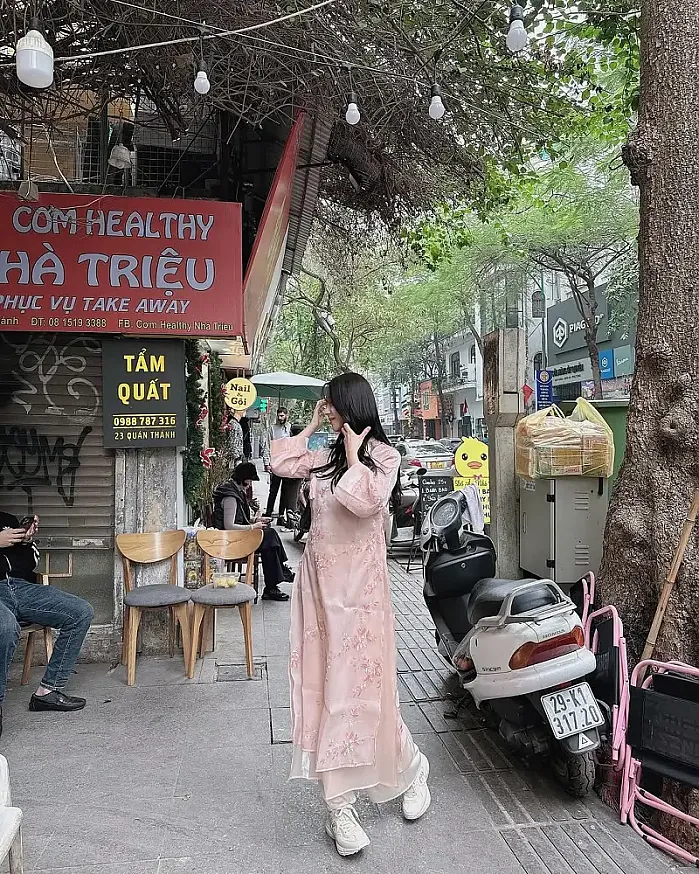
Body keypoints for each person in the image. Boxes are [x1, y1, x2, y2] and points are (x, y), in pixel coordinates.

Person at [270, 373, 430, 857]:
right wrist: (313, 424)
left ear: (353, 405)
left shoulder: (384, 457)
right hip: (320, 594)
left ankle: (411, 770)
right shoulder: (325, 457)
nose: (328, 409)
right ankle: (339, 806)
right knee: (326, 691)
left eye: (332, 404)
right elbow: (280, 461)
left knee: (363, 694)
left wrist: (357, 455)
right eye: (325, 405)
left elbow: (364, 503)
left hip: (361, 598)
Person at [0, 511, 94, 737]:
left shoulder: (8, 520)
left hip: (21, 588)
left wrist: (27, 540)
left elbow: (31, 561)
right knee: (6, 628)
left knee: (80, 612)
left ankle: (47, 692)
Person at [213, 462, 293, 602]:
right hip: (232, 540)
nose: (249, 485)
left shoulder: (235, 492)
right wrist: (253, 526)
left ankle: (278, 575)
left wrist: (256, 520)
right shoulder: (231, 497)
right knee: (268, 539)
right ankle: (274, 583)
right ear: (242, 479)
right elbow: (229, 526)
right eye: (249, 481)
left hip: (236, 537)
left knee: (270, 534)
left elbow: (239, 518)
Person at [264, 407, 292, 525]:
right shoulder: (273, 429)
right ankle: (268, 513)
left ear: (286, 415)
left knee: (285, 491)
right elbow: (267, 445)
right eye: (279, 416)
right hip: (276, 463)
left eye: (282, 416)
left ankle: (281, 516)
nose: (280, 418)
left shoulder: (290, 428)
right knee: (273, 490)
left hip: (287, 464)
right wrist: (267, 462)